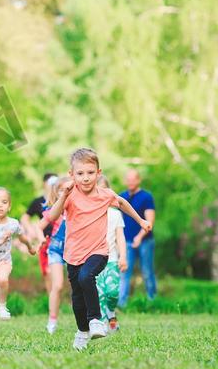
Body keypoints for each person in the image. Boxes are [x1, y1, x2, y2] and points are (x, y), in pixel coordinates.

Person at [47, 148, 151, 350]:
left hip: (98, 252)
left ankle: (96, 320)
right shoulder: (70, 196)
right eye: (80, 173)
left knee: (87, 276)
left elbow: (121, 203)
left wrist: (140, 220)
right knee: (77, 298)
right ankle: (82, 332)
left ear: (98, 172)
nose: (85, 178)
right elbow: (52, 216)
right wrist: (63, 195)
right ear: (72, 174)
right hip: (73, 254)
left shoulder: (105, 195)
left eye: (90, 173)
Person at [0, 187, 36, 336]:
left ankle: (2, 306)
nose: (0, 205)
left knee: (3, 278)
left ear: (9, 206)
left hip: (3, 262)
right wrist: (2, 238)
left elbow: (22, 237)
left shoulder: (13, 224)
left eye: (4, 202)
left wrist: (30, 247)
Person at [37, 176, 72, 334]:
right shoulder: (53, 210)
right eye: (60, 189)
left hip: (75, 250)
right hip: (56, 250)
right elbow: (39, 226)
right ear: (56, 192)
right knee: (57, 285)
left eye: (67, 189)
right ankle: (52, 320)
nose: (64, 192)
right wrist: (40, 240)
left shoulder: (78, 208)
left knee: (82, 285)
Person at [118, 169, 156, 307]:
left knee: (147, 272)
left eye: (133, 179)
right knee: (124, 273)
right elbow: (118, 220)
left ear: (138, 180)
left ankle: (152, 301)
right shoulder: (121, 197)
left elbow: (150, 221)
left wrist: (139, 237)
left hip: (145, 241)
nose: (130, 182)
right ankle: (121, 305)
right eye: (128, 179)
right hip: (127, 241)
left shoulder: (146, 197)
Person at [96, 175, 128, 332]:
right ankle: (102, 324)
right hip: (94, 260)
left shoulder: (115, 214)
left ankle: (111, 310)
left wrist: (123, 256)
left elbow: (120, 237)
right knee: (99, 293)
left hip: (112, 259)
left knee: (112, 292)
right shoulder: (89, 214)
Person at [21, 173, 58, 293]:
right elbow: (25, 218)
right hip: (45, 241)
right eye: (50, 183)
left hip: (61, 240)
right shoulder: (38, 201)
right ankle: (51, 302)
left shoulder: (61, 200)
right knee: (47, 271)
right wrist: (31, 231)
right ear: (44, 184)